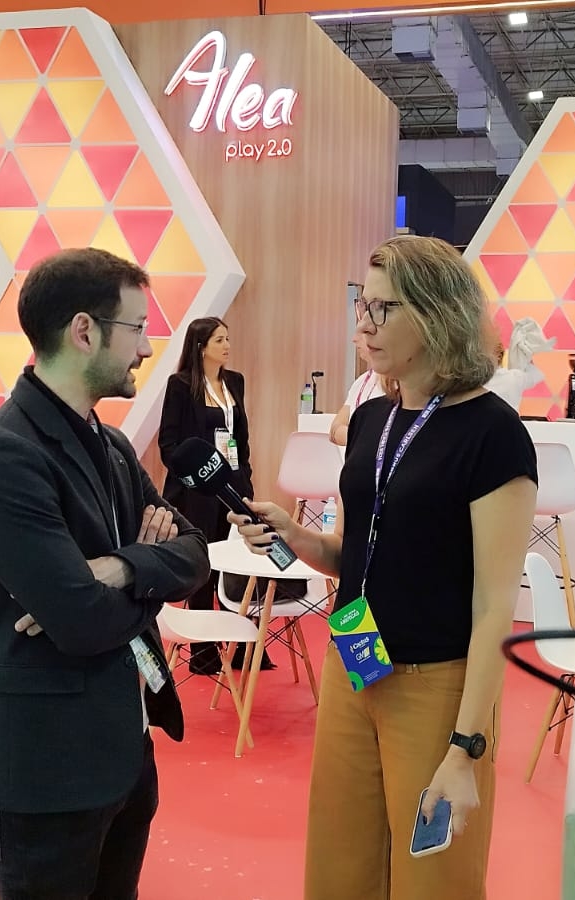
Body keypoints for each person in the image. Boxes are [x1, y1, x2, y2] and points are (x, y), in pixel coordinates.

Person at [230, 235, 537, 899]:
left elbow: (495, 607)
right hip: (354, 661)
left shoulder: (492, 434)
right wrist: (294, 537)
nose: (363, 325)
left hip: (435, 685)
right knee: (339, 871)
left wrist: (466, 745)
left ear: (436, 314)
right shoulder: (372, 420)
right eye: (362, 307)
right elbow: (352, 554)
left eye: (382, 309)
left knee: (434, 883)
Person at [0, 247, 209, 900]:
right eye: (137, 328)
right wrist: (143, 572)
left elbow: (195, 553)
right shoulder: (2, 457)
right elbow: (82, 622)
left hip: (126, 745)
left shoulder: (111, 445)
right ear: (84, 331)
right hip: (50, 770)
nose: (146, 348)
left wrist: (119, 566)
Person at [156, 316, 276, 675]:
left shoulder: (234, 381)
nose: (227, 346)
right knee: (205, 562)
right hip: (197, 489)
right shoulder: (180, 385)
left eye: (228, 338)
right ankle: (203, 649)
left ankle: (240, 647)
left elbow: (242, 437)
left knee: (238, 562)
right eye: (220, 340)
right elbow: (169, 444)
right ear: (201, 346)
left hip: (233, 482)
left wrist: (245, 478)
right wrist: (192, 478)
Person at [330, 334, 392, 446]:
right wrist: (362, 439)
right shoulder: (361, 381)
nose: (354, 339)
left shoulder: (399, 384)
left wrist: (355, 437)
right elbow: (334, 430)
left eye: (364, 333)